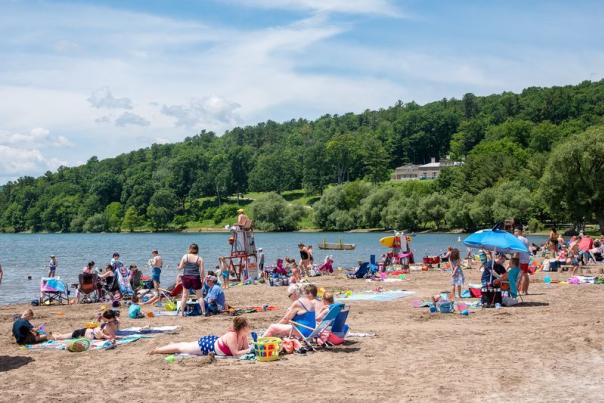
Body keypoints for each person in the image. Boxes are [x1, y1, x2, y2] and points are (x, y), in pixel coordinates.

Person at [150, 317, 252, 357]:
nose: (250, 327)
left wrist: (251, 349)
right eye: (248, 325)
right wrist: (250, 350)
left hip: (215, 343)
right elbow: (236, 353)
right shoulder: (232, 336)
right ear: (242, 327)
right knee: (181, 348)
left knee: (184, 345)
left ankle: (169, 345)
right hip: (208, 346)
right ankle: (157, 350)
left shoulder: (243, 335)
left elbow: (247, 349)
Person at [177, 243, 206, 316]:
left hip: (186, 277)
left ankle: (182, 313)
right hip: (195, 277)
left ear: (189, 249)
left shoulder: (185, 256)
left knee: (184, 296)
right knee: (199, 296)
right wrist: (202, 280)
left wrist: (180, 266)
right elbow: (202, 271)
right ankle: (204, 312)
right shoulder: (200, 258)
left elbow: (180, 268)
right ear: (197, 250)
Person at [54, 310, 119, 341]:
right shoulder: (115, 321)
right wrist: (104, 335)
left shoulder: (109, 324)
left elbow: (111, 337)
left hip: (87, 333)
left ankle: (57, 335)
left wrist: (104, 335)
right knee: (61, 337)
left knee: (64, 336)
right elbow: (112, 337)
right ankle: (55, 335)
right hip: (85, 333)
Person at [514, 228, 531, 295]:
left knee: (522, 275)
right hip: (526, 258)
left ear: (520, 232)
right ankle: (525, 291)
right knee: (525, 274)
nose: (514, 232)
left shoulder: (519, 239)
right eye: (514, 231)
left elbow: (517, 251)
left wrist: (514, 259)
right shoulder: (525, 239)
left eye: (516, 231)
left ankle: (521, 291)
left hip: (522, 259)